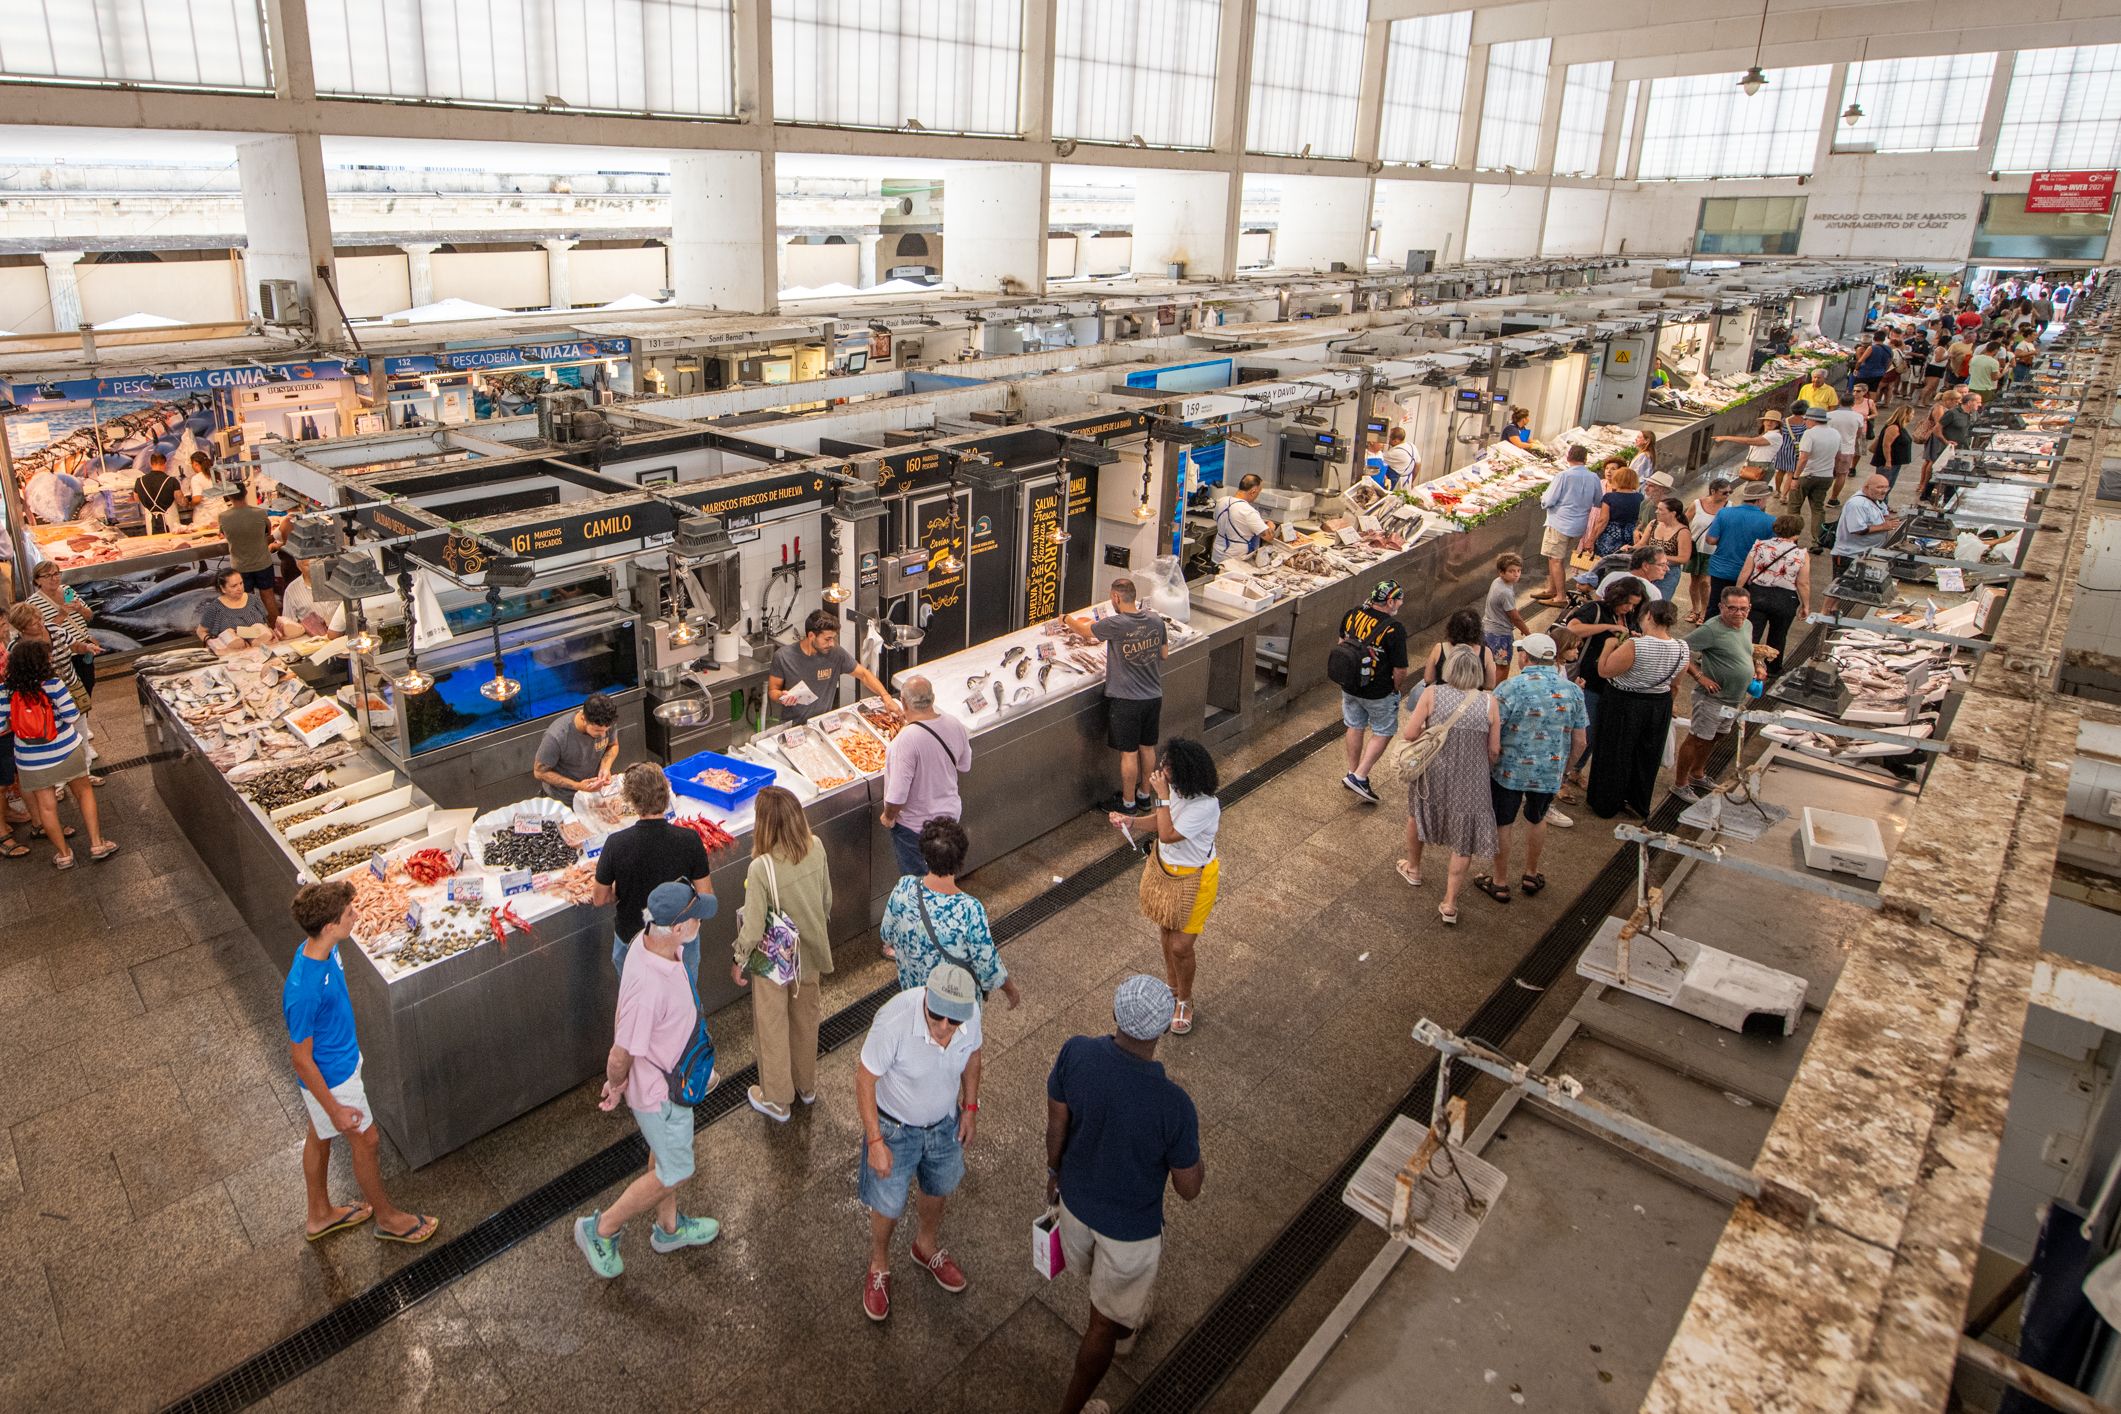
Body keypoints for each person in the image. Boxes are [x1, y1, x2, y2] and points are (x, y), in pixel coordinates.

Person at [1047, 975, 1204, 1414]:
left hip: (1074, 1205)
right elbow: (1188, 1189)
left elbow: (1056, 1124)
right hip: (1130, 1233)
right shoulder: (1174, 1105)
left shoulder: (1075, 1052)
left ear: (1115, 1015)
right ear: (1159, 1032)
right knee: (1101, 1325)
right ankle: (1073, 1408)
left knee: (1103, 1296)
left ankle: (1124, 1321)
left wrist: (1053, 1172)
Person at [574, 881, 720, 1277]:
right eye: (695, 918)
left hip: (674, 1079)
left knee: (665, 1152)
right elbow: (621, 1053)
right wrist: (616, 1086)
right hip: (660, 1093)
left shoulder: (648, 940)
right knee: (677, 1170)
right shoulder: (648, 988)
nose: (699, 923)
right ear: (675, 928)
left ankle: (669, 1228)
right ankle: (602, 1228)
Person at [283, 881, 437, 1246]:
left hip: (341, 1059)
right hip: (333, 1075)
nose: (356, 916)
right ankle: (388, 1219)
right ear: (328, 926)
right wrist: (334, 1107)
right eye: (349, 914)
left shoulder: (321, 949)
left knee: (319, 1135)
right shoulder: (304, 989)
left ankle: (319, 1215)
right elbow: (301, 1060)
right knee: (366, 1140)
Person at [856, 964, 983, 1322]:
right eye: (936, 1016)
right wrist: (876, 1140)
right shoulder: (893, 1020)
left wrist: (970, 1107)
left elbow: (973, 1054)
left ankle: (925, 1246)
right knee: (888, 1204)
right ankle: (879, 1264)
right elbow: (864, 1079)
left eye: (953, 1021)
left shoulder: (969, 1017)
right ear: (925, 998)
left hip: (944, 1125)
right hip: (895, 1129)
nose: (944, 1028)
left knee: (938, 1187)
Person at [731, 785, 835, 1123]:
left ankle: (777, 1099)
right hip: (809, 953)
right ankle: (806, 1086)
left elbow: (753, 927)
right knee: (806, 1019)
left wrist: (739, 959)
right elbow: (826, 900)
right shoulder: (816, 846)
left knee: (772, 1024)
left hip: (774, 962)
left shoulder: (761, 868)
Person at [1110, 738, 1219, 1034]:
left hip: (1195, 878)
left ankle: (1185, 999)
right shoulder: (1173, 792)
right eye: (1164, 763)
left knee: (1181, 945)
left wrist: (1161, 795)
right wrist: (1130, 822)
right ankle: (1172, 987)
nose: (1162, 770)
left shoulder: (1206, 806)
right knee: (1166, 930)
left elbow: (1169, 834)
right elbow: (1159, 823)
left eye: (1169, 766)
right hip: (1164, 870)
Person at [1478, 634, 1586, 903]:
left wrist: (1489, 762)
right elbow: (1581, 740)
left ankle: (1500, 882)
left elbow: (1492, 733)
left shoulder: (1509, 688)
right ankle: (1531, 873)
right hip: (1549, 771)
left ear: (1525, 657)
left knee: (1503, 823)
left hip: (1507, 771)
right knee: (1537, 818)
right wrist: (1564, 768)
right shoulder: (1572, 690)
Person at [1396, 645, 1500, 925]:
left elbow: (1409, 733)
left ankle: (1414, 868)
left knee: (1417, 815)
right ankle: (1450, 902)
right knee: (1463, 839)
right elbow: (1493, 750)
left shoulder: (1432, 694)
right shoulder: (1489, 703)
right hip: (1472, 779)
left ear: (1449, 669)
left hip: (1433, 774)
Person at [591, 763, 714, 984]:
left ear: (632, 802)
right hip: (679, 941)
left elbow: (599, 898)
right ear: (666, 796)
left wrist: (619, 893)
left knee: (639, 1006)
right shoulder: (689, 839)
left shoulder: (616, 844)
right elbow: (706, 896)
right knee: (683, 1003)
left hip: (633, 937)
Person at [881, 815, 1019, 1009]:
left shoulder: (904, 888)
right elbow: (987, 965)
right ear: (960, 860)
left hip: (914, 998)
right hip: (955, 1008)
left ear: (924, 855)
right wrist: (1010, 989)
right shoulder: (970, 909)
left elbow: (886, 934)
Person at [0, 639, 115, 867]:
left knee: (46, 807)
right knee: (84, 794)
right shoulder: (53, 683)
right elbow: (72, 716)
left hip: (31, 760)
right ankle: (97, 844)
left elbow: (1, 726)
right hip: (66, 750)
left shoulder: (6, 690)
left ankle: (63, 855)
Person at [1066, 579, 1168, 816]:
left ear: (1115, 598)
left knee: (1129, 753)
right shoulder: (1155, 619)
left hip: (1127, 701)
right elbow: (1164, 654)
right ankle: (1144, 795)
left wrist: (1066, 619)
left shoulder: (1116, 624)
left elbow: (1085, 631)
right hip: (1153, 696)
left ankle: (1128, 804)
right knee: (1147, 748)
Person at [1587, 599, 1690, 820]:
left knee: (1615, 751)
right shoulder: (1682, 647)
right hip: (1659, 703)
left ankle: (1606, 802)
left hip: (1624, 701)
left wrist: (1608, 647)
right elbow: (1676, 684)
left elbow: (1605, 671)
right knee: (1646, 754)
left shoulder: (1635, 645)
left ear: (1649, 616)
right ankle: (1638, 801)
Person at [1560, 576, 1648, 800]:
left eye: (1634, 605)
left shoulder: (1630, 618)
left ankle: (1575, 770)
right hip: (1586, 679)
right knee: (1581, 732)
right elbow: (1573, 629)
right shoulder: (1596, 609)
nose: (1629, 608)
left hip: (1612, 685)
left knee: (1596, 731)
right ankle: (1559, 777)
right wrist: (1609, 627)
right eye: (1627, 603)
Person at [879, 674, 972, 881]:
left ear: (903, 703)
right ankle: (944, 909)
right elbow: (965, 765)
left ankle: (923, 912)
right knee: (943, 878)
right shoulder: (955, 724)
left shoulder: (906, 740)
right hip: (949, 821)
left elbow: (897, 797)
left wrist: (888, 817)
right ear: (933, 698)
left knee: (919, 886)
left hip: (915, 829)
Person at [1673, 588, 1756, 802]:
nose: (1739, 613)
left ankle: (1697, 773)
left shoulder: (1747, 625)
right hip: (1711, 699)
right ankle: (1680, 784)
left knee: (1716, 736)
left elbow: (1745, 651)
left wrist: (1757, 666)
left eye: (1743, 608)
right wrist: (1700, 676)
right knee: (1697, 739)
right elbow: (1680, 649)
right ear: (1721, 607)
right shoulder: (1710, 630)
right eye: (1732, 608)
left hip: (1734, 698)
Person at [1339, 579, 1411, 804]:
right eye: (1399, 599)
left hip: (1350, 684)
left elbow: (1341, 643)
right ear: (1390, 601)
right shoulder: (1393, 628)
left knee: (1354, 725)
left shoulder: (1353, 614)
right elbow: (1400, 668)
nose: (1400, 603)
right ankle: (1360, 776)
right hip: (1378, 690)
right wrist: (1395, 689)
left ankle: (1352, 771)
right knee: (1384, 730)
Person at [769, 609, 899, 725]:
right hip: (793, 727)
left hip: (823, 723)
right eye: (827, 639)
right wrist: (782, 697)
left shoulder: (835, 653)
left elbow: (864, 674)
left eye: (833, 638)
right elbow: (773, 691)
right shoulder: (783, 656)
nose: (832, 643)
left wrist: (886, 697)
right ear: (811, 636)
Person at [1535, 445, 1603, 607]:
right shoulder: (1593, 477)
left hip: (1560, 523)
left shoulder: (1563, 476)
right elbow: (1598, 500)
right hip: (1579, 525)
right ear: (1585, 459)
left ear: (1568, 457)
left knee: (1555, 560)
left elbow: (1549, 500)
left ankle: (1560, 596)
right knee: (1558, 559)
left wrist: (1543, 498)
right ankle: (1552, 589)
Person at [1737, 514, 1810, 663]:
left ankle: (1745, 663)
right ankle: (1773, 667)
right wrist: (1805, 605)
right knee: (1779, 635)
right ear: (1797, 532)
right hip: (1785, 598)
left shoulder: (1759, 545)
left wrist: (1738, 592)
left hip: (1758, 594)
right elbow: (1803, 583)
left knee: (1751, 633)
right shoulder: (1801, 554)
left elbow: (1746, 571)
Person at [1827, 474, 1903, 611]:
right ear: (1866, 487)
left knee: (1849, 584)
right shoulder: (1857, 504)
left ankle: (1836, 610)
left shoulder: (1877, 499)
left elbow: (1884, 513)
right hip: (1849, 554)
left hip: (1864, 553)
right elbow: (1857, 529)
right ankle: (1825, 613)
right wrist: (1884, 527)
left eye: (1886, 487)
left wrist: (1888, 520)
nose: (1884, 491)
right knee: (1839, 584)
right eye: (1879, 487)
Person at [26, 561, 101, 698]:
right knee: (68, 695)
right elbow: (38, 634)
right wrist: (61, 615)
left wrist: (80, 609)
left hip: (84, 649)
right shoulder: (33, 604)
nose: (54, 578)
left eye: (56, 573)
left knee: (87, 686)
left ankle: (83, 717)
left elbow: (89, 616)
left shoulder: (67, 591)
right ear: (37, 580)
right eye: (48, 575)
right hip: (62, 656)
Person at [533, 691, 620, 800]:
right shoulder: (557, 736)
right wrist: (577, 786)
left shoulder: (607, 723)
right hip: (563, 799)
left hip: (593, 793)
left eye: (606, 730)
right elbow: (539, 772)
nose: (603, 735)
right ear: (583, 719)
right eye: (598, 730)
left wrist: (605, 767)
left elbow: (613, 745)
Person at [217, 482, 280, 623]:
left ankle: (254, 632)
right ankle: (277, 628)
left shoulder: (223, 517)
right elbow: (267, 534)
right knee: (268, 596)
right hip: (263, 562)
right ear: (246, 493)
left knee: (245, 600)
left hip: (240, 566)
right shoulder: (260, 513)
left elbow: (223, 535)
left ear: (228, 496)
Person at [1783, 411, 1842, 548]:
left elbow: (1803, 458)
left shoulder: (1809, 434)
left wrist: (1795, 477)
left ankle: (1792, 540)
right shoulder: (1835, 433)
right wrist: (1834, 471)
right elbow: (1838, 456)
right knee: (1818, 508)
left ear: (1813, 420)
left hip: (1807, 475)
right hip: (1826, 476)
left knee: (1794, 508)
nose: (1804, 422)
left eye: (1806, 419)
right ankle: (1818, 541)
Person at [1711, 409, 1792, 503]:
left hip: (1762, 467)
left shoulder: (1775, 436)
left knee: (1755, 497)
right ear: (1763, 421)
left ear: (1777, 424)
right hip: (1754, 466)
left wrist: (1725, 438)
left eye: (1773, 421)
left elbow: (1749, 441)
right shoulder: (1766, 434)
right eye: (1767, 420)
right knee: (1752, 495)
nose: (1769, 422)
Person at [1417, 608, 1501, 697]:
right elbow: (1490, 685)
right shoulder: (1485, 652)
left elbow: (1428, 679)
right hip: (1471, 701)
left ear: (1452, 628)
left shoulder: (1439, 648)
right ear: (1477, 630)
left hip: (1443, 699)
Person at [1684, 479, 1733, 624]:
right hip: (1695, 548)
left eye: (1730, 492)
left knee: (1705, 582)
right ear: (1713, 491)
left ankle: (1704, 611)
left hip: (1714, 550)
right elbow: (1684, 521)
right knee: (1694, 580)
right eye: (1724, 492)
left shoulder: (1728, 507)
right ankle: (1695, 609)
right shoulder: (1697, 504)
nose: (1727, 495)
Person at [195, 565, 275, 648]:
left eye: (241, 583)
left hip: (261, 650)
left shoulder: (254, 599)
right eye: (234, 586)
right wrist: (211, 642)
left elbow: (265, 623)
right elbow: (201, 631)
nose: (239, 588)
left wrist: (269, 632)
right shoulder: (215, 608)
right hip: (233, 654)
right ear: (223, 588)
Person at [1210, 474, 1277, 565]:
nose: (1257, 495)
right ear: (1253, 491)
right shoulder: (1248, 511)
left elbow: (1235, 520)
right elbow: (1268, 537)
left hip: (1217, 555)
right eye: (1258, 493)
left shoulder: (1222, 501)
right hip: (1235, 561)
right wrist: (1271, 526)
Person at [1480, 555, 1528, 680]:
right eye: (1511, 571)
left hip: (1487, 629)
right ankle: (1497, 694)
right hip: (1500, 635)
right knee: (1503, 666)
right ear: (1501, 572)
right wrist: (1527, 632)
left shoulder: (1497, 582)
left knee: (1487, 662)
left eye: (1518, 570)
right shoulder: (1505, 592)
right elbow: (1514, 616)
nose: (1516, 574)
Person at [1636, 497, 1691, 603]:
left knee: (1658, 603)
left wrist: (1658, 557)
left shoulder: (1683, 531)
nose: (1657, 511)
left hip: (1668, 572)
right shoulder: (1653, 524)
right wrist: (1630, 548)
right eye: (1657, 508)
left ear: (1673, 513)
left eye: (1661, 510)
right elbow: (1642, 544)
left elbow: (1684, 558)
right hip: (1648, 570)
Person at [1586, 462, 1644, 560]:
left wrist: (1591, 540)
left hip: (1610, 536)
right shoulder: (1640, 497)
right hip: (1631, 536)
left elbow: (1602, 521)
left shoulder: (1609, 497)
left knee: (1606, 564)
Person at [1826, 398, 1866, 506]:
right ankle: (1833, 498)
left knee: (1826, 473)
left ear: (1839, 402)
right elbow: (1859, 434)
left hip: (1829, 448)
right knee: (1842, 474)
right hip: (1846, 449)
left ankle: (1820, 495)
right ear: (1853, 403)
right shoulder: (1858, 417)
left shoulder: (1829, 415)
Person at [1598, 545, 1670, 602]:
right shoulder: (1652, 592)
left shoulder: (1612, 575)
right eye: (1662, 565)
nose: (1667, 569)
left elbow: (1596, 601)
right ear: (1645, 566)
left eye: (1667, 564)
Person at [134, 452, 182, 535]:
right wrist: (188, 502)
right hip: (171, 522)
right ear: (165, 464)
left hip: (151, 522)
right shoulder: (172, 481)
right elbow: (181, 501)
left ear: (150, 463)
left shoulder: (139, 481)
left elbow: (136, 499)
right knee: (175, 545)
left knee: (157, 546)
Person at [1871, 405, 1914, 492]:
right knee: (1884, 485)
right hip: (1889, 463)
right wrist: (1888, 461)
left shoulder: (1901, 427)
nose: (1913, 416)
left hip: (1896, 462)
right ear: (1906, 415)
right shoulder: (1894, 428)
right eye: (1912, 414)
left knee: (1889, 485)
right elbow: (1886, 445)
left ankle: (1883, 503)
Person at [184, 452, 224, 531]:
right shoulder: (216, 474)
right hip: (221, 513)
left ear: (195, 464)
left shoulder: (196, 478)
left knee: (206, 541)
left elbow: (197, 499)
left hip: (206, 518)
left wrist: (189, 504)